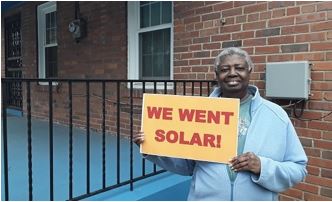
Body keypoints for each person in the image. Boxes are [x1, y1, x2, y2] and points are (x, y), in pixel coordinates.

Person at [133, 47, 308, 200]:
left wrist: (262, 167)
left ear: (249, 71)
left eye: (239, 68)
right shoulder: (198, 113)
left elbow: (298, 168)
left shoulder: (275, 115)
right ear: (217, 75)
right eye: (225, 69)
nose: (232, 73)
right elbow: (187, 166)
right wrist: (152, 147)